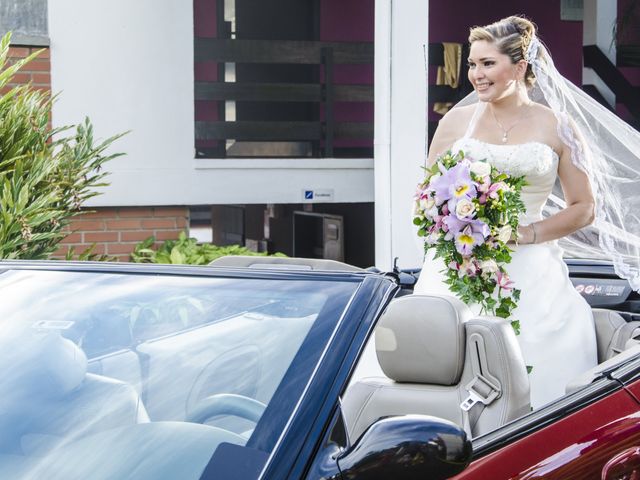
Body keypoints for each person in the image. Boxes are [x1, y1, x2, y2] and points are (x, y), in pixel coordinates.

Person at [413, 15, 602, 409]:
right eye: (472, 64)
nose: (476, 75)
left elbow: (584, 208)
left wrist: (526, 234)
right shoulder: (455, 122)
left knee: (535, 360)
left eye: (487, 64)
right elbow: (427, 196)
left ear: (519, 67)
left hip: (531, 267)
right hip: (459, 265)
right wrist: (455, 220)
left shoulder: (559, 126)